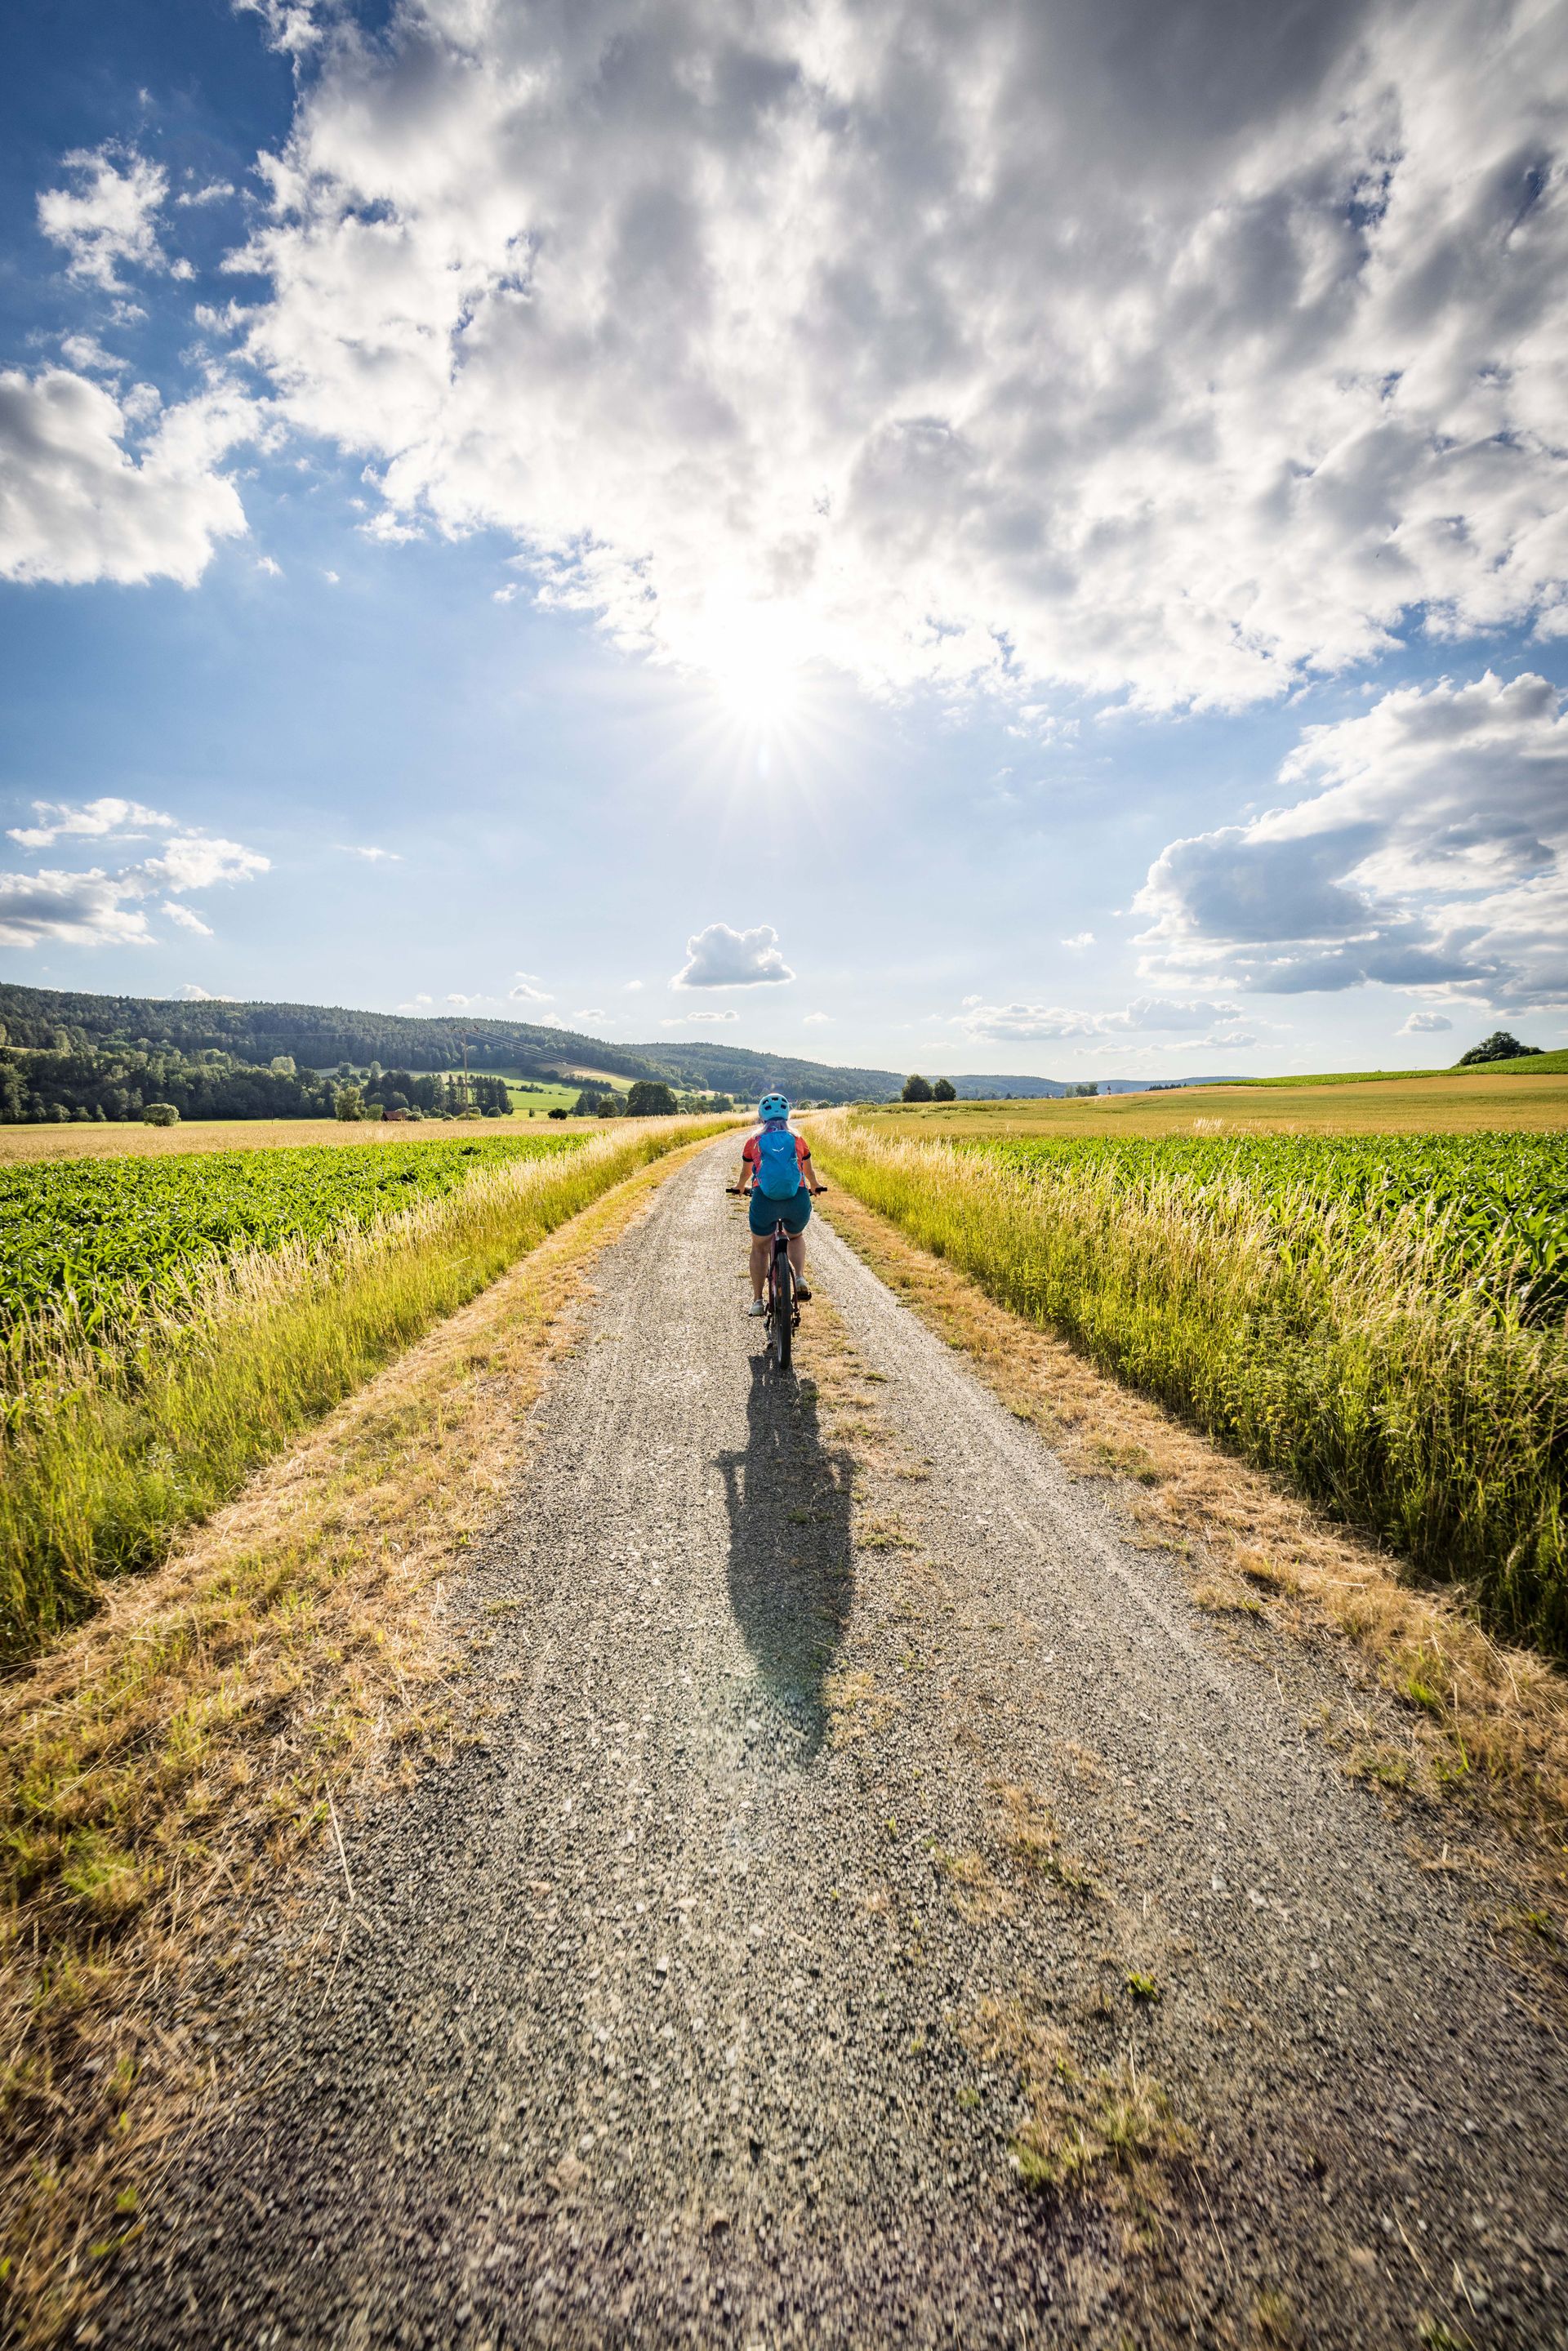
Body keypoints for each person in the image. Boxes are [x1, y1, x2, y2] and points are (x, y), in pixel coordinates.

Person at [733, 1092, 825, 1316]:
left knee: (760, 1247)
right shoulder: (797, 1139)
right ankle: (800, 1276)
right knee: (795, 1236)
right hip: (797, 1200)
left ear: (761, 1116)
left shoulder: (753, 1141)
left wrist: (739, 1187)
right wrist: (814, 1186)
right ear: (787, 1115)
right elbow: (808, 1171)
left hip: (765, 1202)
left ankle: (757, 1301)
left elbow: (746, 1173)